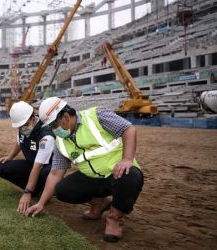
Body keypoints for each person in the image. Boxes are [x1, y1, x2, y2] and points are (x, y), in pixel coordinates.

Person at [25, 97, 144, 243]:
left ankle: (114, 218)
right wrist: (41, 203)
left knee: (130, 177)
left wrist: (127, 159)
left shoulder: (97, 115)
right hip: (93, 179)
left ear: (66, 117)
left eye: (54, 126)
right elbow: (55, 174)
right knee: (62, 189)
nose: (53, 131)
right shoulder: (60, 141)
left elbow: (128, 129)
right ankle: (100, 202)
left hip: (117, 172)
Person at [0, 101, 55, 214]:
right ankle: (36, 191)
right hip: (32, 164)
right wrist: (9, 157)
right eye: (19, 127)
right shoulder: (22, 128)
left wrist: (27, 192)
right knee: (2, 168)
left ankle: (44, 191)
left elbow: (38, 166)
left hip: (46, 168)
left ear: (33, 118)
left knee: (47, 172)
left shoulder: (46, 135)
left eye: (23, 125)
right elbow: (19, 143)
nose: (22, 129)